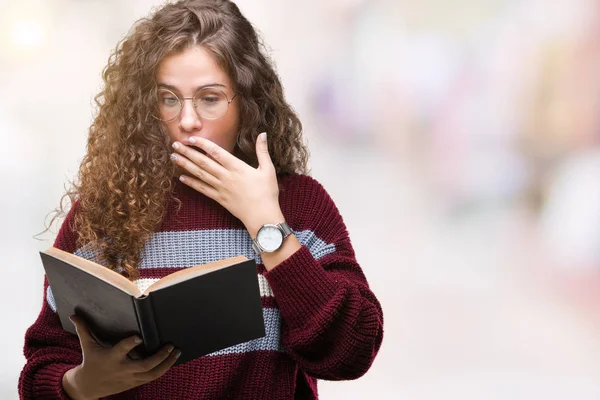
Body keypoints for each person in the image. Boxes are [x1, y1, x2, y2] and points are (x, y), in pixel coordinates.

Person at [18, 1, 384, 399]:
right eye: (169, 98)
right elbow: (41, 367)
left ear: (246, 102)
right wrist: (82, 384)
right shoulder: (104, 211)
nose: (187, 120)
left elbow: (351, 352)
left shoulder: (298, 204)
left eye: (209, 98)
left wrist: (266, 224)